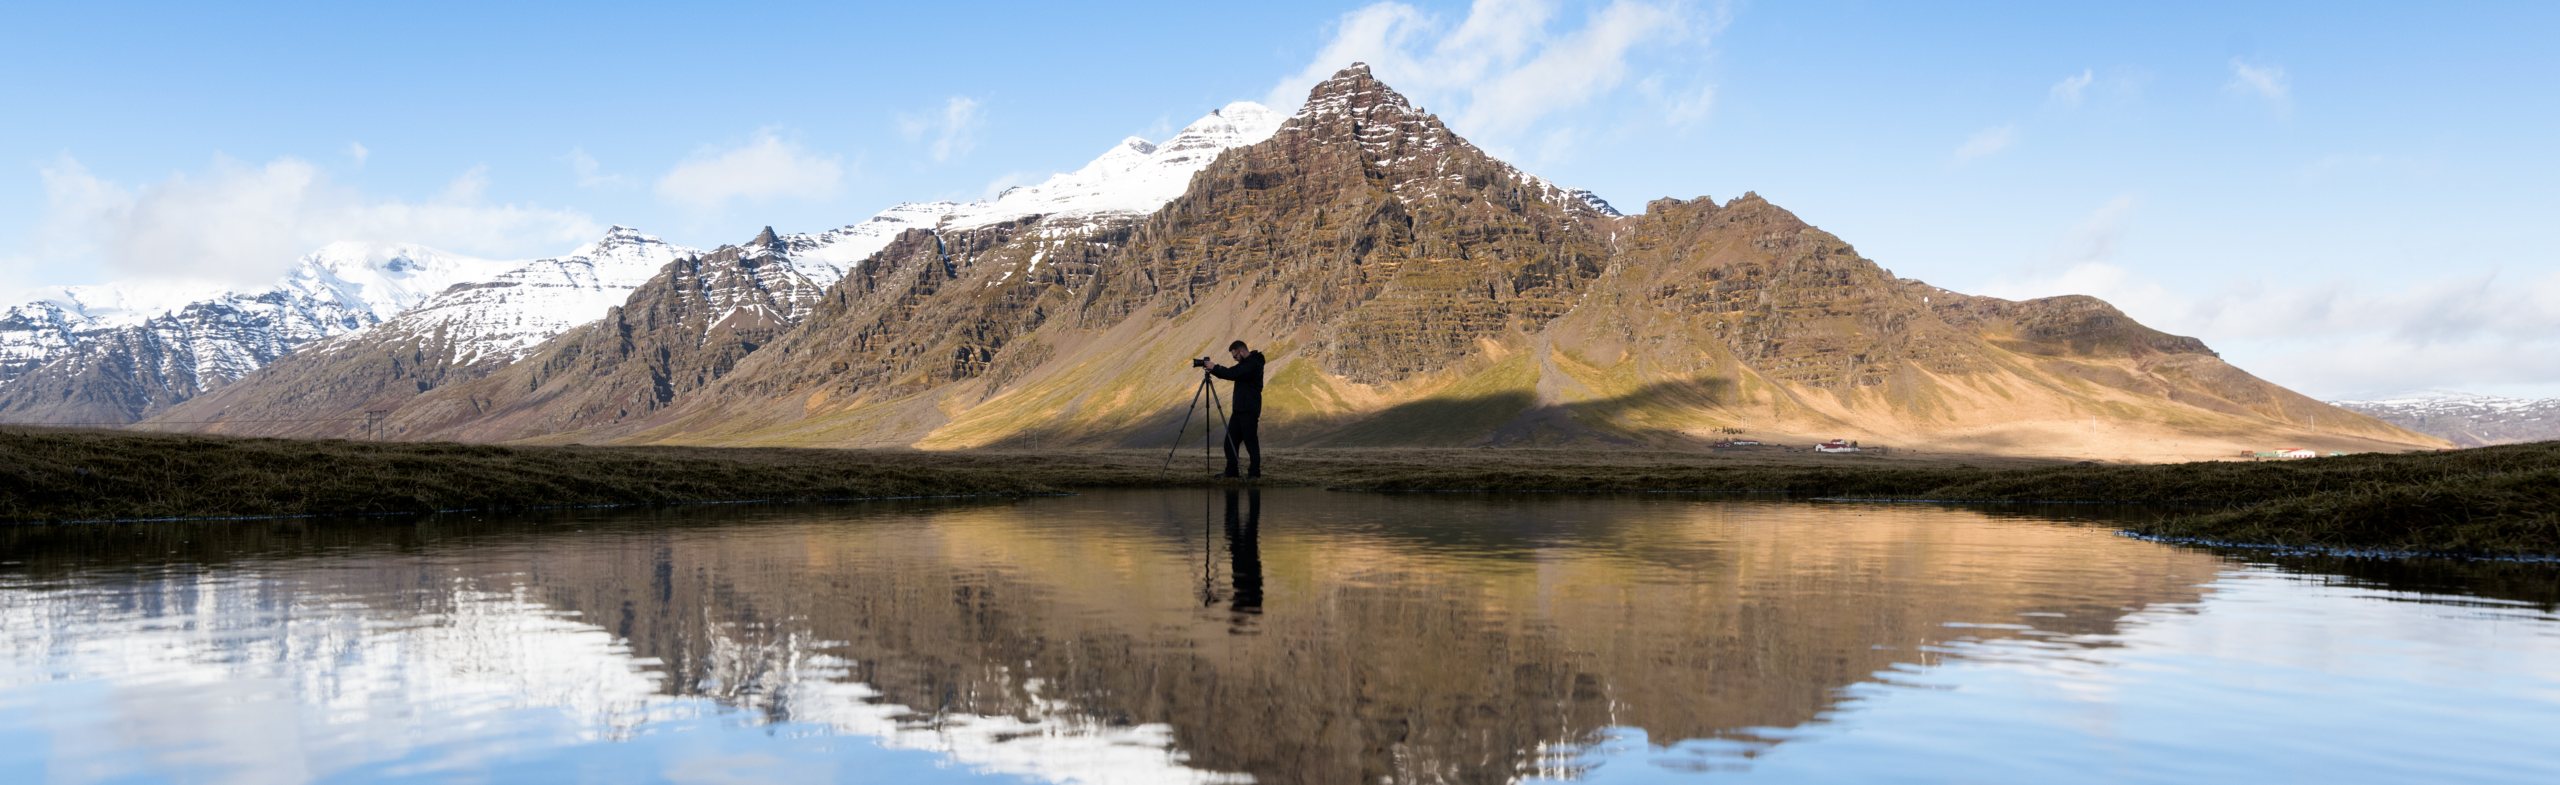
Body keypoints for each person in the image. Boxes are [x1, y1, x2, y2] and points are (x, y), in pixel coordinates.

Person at [1206, 340, 1264, 479]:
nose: (1235, 359)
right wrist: (1214, 370)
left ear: (1242, 351)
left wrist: (1214, 368)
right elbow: (1233, 373)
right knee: (1230, 442)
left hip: (1249, 410)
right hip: (1239, 410)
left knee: (1251, 443)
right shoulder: (1245, 365)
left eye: (1235, 356)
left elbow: (1232, 373)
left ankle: (1254, 474)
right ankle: (1232, 472)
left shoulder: (1253, 364)